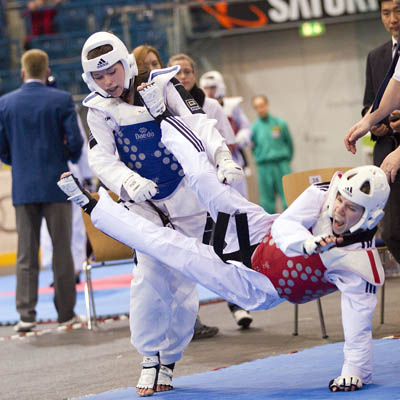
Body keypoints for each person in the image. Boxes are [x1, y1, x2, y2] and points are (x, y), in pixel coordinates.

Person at [58, 83, 390, 392]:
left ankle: (91, 205)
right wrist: (304, 244)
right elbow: (287, 224)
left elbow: (358, 326)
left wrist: (355, 372)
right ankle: (163, 118)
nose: (340, 212)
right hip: (264, 235)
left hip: (260, 287)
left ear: (371, 217)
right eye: (342, 202)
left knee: (174, 250)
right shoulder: (323, 192)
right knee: (208, 185)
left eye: (353, 211)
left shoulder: (361, 265)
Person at [80, 31, 244, 396]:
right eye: (99, 76)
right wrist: (126, 180)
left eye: (113, 71)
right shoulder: (97, 109)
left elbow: (199, 125)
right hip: (143, 202)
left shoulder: (165, 85)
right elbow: (101, 157)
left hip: (186, 196)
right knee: (148, 275)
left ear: (127, 62)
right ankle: (148, 357)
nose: (109, 81)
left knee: (184, 284)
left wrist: (222, 158)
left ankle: (168, 359)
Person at [132, 46, 221, 340]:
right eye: (146, 66)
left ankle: (187, 322)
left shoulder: (184, 101)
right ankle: (157, 332)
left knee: (187, 258)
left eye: (156, 64)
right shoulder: (127, 110)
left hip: (183, 189)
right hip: (148, 197)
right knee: (153, 268)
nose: (153, 70)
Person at [0, 49, 83, 332]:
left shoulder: (5, 103)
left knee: (25, 253)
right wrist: (61, 155)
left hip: (24, 186)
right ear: (47, 72)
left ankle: (26, 316)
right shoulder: (60, 99)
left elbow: (2, 150)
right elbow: (75, 144)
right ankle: (66, 315)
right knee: (62, 250)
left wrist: (20, 163)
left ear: (22, 73)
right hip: (58, 183)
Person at [168, 54, 253, 329]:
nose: (183, 77)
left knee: (225, 246)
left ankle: (237, 303)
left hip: (214, 184)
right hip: (182, 189)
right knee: (189, 254)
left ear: (195, 74)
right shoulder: (165, 106)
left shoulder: (211, 105)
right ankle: (190, 318)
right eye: (177, 72)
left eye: (188, 72)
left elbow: (227, 143)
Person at [360, 0, 400, 265]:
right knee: (393, 232)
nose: (393, 18)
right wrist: (370, 123)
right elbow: (371, 105)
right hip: (387, 150)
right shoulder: (376, 56)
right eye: (386, 13)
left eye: (398, 11)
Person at [40, 99, 94, 284]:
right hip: (60, 168)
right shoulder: (63, 105)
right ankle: (61, 270)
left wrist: (87, 176)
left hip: (64, 169)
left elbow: (78, 143)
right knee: (55, 226)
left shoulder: (64, 107)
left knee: (73, 223)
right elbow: (78, 143)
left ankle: (74, 268)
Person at [199, 70, 252, 199]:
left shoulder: (232, 106)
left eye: (213, 87)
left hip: (232, 156)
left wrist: (241, 137)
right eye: (206, 87)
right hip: (210, 159)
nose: (209, 91)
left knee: (239, 196)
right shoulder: (199, 107)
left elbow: (245, 126)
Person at [251, 94, 294, 214]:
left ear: (267, 105)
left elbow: (289, 143)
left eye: (262, 106)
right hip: (264, 167)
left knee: (289, 196)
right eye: (257, 107)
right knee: (267, 201)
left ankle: (292, 224)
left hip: (282, 164)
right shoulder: (254, 128)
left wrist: (286, 159)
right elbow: (253, 148)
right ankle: (270, 228)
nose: (260, 109)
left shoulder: (280, 123)